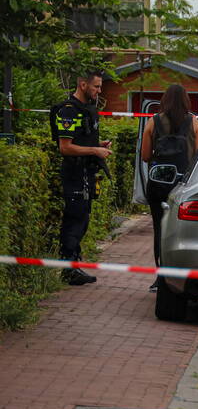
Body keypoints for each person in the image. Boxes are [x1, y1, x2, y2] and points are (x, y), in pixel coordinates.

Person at [140, 84, 198, 288]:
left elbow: (145, 155)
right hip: (182, 187)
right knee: (183, 232)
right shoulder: (193, 122)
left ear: (164, 100)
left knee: (160, 230)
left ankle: (160, 278)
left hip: (158, 185)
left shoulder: (153, 121)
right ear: (186, 101)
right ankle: (182, 277)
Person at [51, 71, 111, 285]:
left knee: (82, 220)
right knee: (74, 221)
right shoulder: (68, 111)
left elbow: (81, 141)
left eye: (100, 86)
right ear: (83, 84)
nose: (99, 91)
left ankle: (75, 264)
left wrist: (98, 146)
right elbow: (65, 148)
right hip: (74, 174)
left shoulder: (87, 110)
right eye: (96, 86)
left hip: (86, 173)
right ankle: (68, 269)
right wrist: (94, 151)